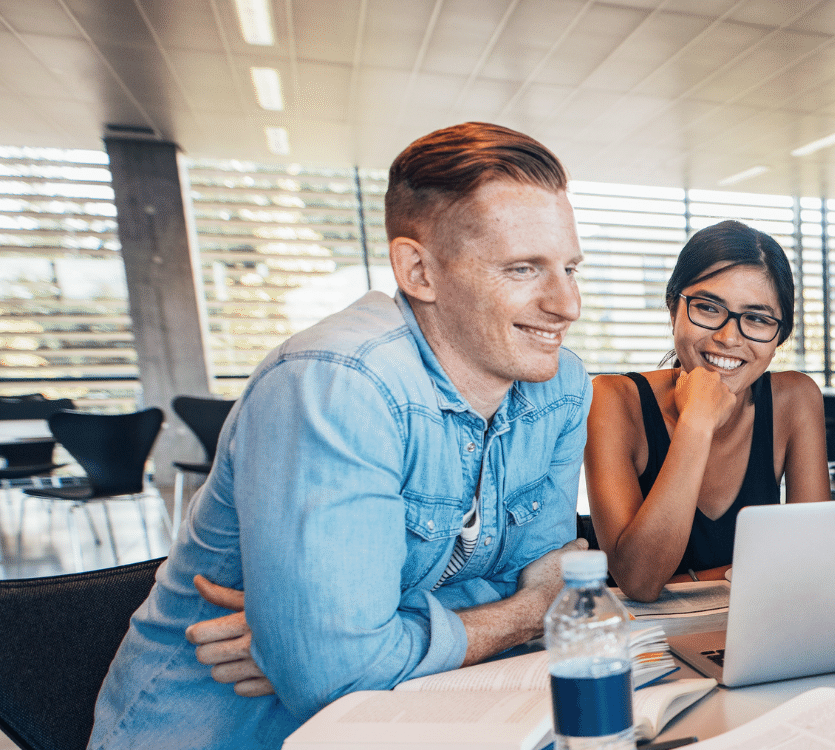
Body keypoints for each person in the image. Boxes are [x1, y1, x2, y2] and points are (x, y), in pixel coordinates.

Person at [90, 122, 590, 749]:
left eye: (571, 267)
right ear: (419, 270)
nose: (566, 304)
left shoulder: (560, 384)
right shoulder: (336, 384)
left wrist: (318, 636)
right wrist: (522, 612)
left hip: (425, 716)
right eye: (523, 268)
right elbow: (337, 677)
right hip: (237, 732)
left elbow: (553, 572)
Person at [584, 220, 829, 601]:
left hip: (759, 629)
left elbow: (812, 563)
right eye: (708, 308)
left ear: (779, 336)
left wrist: (687, 582)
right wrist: (697, 422)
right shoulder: (612, 400)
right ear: (673, 309)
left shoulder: (795, 400)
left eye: (758, 319)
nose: (728, 338)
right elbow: (639, 581)